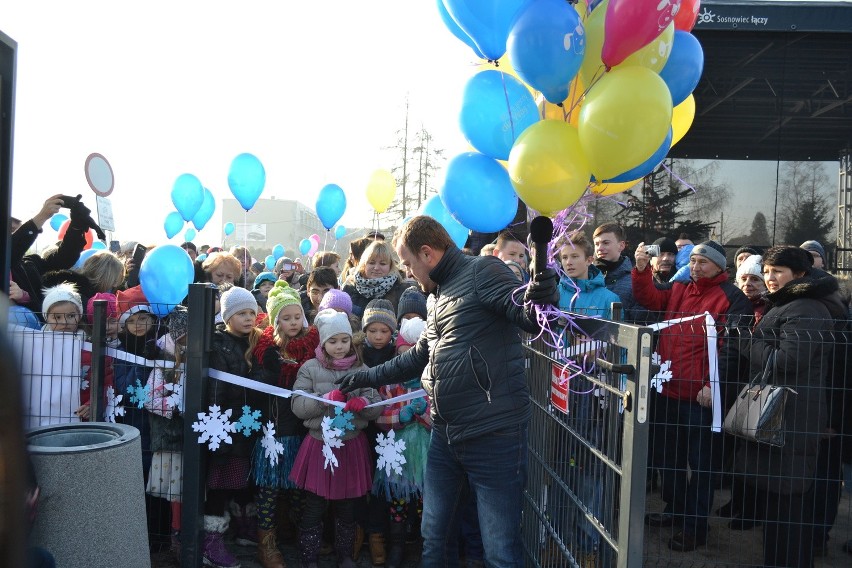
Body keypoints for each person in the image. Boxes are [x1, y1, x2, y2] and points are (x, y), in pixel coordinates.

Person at [336, 215, 558, 568]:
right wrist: (366, 377)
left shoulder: (484, 271)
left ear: (427, 254)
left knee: (499, 547)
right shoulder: (435, 296)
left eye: (408, 263)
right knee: (433, 535)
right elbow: (418, 357)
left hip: (493, 433)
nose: (408, 272)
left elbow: (529, 316)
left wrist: (544, 293)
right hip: (445, 432)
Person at [633, 239, 752, 552]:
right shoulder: (680, 288)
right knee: (668, 459)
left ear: (719, 267)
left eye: (703, 262)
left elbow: (733, 348)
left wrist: (713, 383)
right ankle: (675, 509)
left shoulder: (731, 298)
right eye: (694, 260)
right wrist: (642, 270)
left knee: (701, 465)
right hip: (668, 389)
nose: (696, 267)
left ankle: (695, 527)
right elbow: (648, 298)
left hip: (701, 398)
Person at [734, 246, 846, 567]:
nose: (770, 278)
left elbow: (789, 360)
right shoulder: (791, 303)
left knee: (788, 507)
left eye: (778, 271)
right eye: (767, 271)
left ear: (799, 274)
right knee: (777, 504)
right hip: (782, 413)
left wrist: (746, 342)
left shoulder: (806, 309)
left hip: (792, 416)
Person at [289, 309, 382, 568]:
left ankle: (345, 554)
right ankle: (309, 556)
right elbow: (298, 405)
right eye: (333, 341)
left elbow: (377, 404)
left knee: (347, 504)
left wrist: (363, 402)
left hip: (351, 444)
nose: (339, 347)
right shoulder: (310, 368)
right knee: (315, 504)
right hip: (320, 444)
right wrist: (324, 402)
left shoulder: (362, 368)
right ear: (323, 342)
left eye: (344, 340)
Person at [251, 281, 319, 568]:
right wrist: (272, 369)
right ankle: (267, 544)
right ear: (275, 320)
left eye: (296, 317)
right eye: (286, 318)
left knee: (298, 489)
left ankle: (296, 534)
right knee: (269, 489)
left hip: (302, 429)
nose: (292, 323)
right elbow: (257, 388)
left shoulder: (312, 347)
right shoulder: (265, 349)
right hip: (274, 429)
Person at [204, 286, 265, 568]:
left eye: (252, 312)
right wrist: (219, 430)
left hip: (250, 423)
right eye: (241, 313)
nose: (249, 318)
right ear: (227, 316)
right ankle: (211, 543)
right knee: (220, 485)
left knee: (244, 481)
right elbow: (216, 389)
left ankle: (244, 529)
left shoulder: (257, 341)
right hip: (226, 425)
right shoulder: (220, 344)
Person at [144, 306, 188, 563]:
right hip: (170, 439)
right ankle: (175, 538)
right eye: (184, 340)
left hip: (192, 438)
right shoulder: (163, 365)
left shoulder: (200, 360)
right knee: (174, 494)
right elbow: (150, 398)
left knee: (188, 491)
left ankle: (186, 535)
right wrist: (177, 406)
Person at [11, 194, 89, 315]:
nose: (15, 235)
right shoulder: (10, 255)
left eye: (18, 230)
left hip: (37, 332)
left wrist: (76, 227)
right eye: (11, 232)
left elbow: (62, 260)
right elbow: (11, 249)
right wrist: (42, 216)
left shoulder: (29, 263)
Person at [556, 231, 620, 319]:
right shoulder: (553, 295)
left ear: (589, 261)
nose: (568, 262)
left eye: (574, 256)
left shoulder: (609, 299)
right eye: (564, 257)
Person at [341, 240, 413, 318]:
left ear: (390, 266)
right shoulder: (349, 289)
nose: (376, 268)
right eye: (371, 263)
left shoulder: (402, 291)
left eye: (382, 264)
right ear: (364, 264)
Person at [592, 223, 640, 321]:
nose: (600, 248)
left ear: (621, 245)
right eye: (597, 244)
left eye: (606, 243)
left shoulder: (634, 281)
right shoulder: (586, 276)